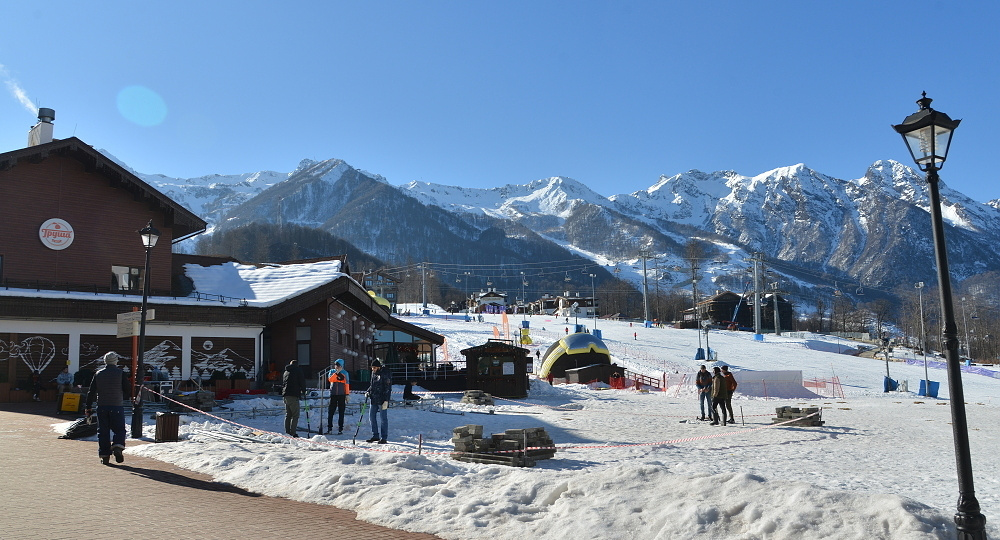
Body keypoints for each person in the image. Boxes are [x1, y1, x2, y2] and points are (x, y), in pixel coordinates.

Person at [84, 352, 130, 465]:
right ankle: (118, 446)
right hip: (117, 405)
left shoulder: (98, 374)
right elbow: (127, 389)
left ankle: (105, 456)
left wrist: (88, 407)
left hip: (102, 406)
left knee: (103, 431)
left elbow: (91, 392)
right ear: (116, 361)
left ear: (105, 361)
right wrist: (122, 397)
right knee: (119, 429)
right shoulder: (121, 373)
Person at [365, 359, 392, 444]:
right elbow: (372, 385)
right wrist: (368, 391)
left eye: (375, 367)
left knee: (383, 418)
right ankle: (375, 435)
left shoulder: (385, 373)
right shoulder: (373, 373)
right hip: (374, 399)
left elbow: (388, 387)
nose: (373, 369)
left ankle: (384, 437)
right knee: (372, 417)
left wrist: (386, 400)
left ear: (379, 367)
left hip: (382, 399)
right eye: (372, 367)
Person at [281, 359, 306, 437]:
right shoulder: (298, 370)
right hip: (293, 395)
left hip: (285, 395)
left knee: (288, 415)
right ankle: (293, 432)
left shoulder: (286, 371)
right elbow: (302, 381)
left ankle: (287, 432)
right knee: (295, 415)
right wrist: (303, 391)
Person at [326, 359, 350, 435]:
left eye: (338, 365)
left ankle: (340, 428)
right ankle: (329, 427)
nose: (337, 367)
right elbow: (330, 379)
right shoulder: (332, 372)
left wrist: (347, 394)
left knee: (341, 412)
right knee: (331, 412)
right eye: (336, 365)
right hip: (333, 394)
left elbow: (346, 384)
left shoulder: (345, 373)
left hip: (341, 395)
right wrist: (336, 373)